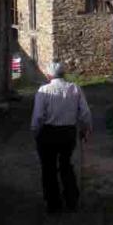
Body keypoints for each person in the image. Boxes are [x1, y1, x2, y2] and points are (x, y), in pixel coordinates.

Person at [31, 61, 92, 213]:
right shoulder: (75, 89)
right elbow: (85, 113)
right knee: (66, 165)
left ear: (48, 76)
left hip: (48, 133)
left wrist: (35, 132)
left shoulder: (43, 90)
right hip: (68, 132)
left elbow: (38, 116)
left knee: (48, 168)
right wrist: (85, 129)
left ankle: (53, 204)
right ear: (64, 74)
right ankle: (71, 200)